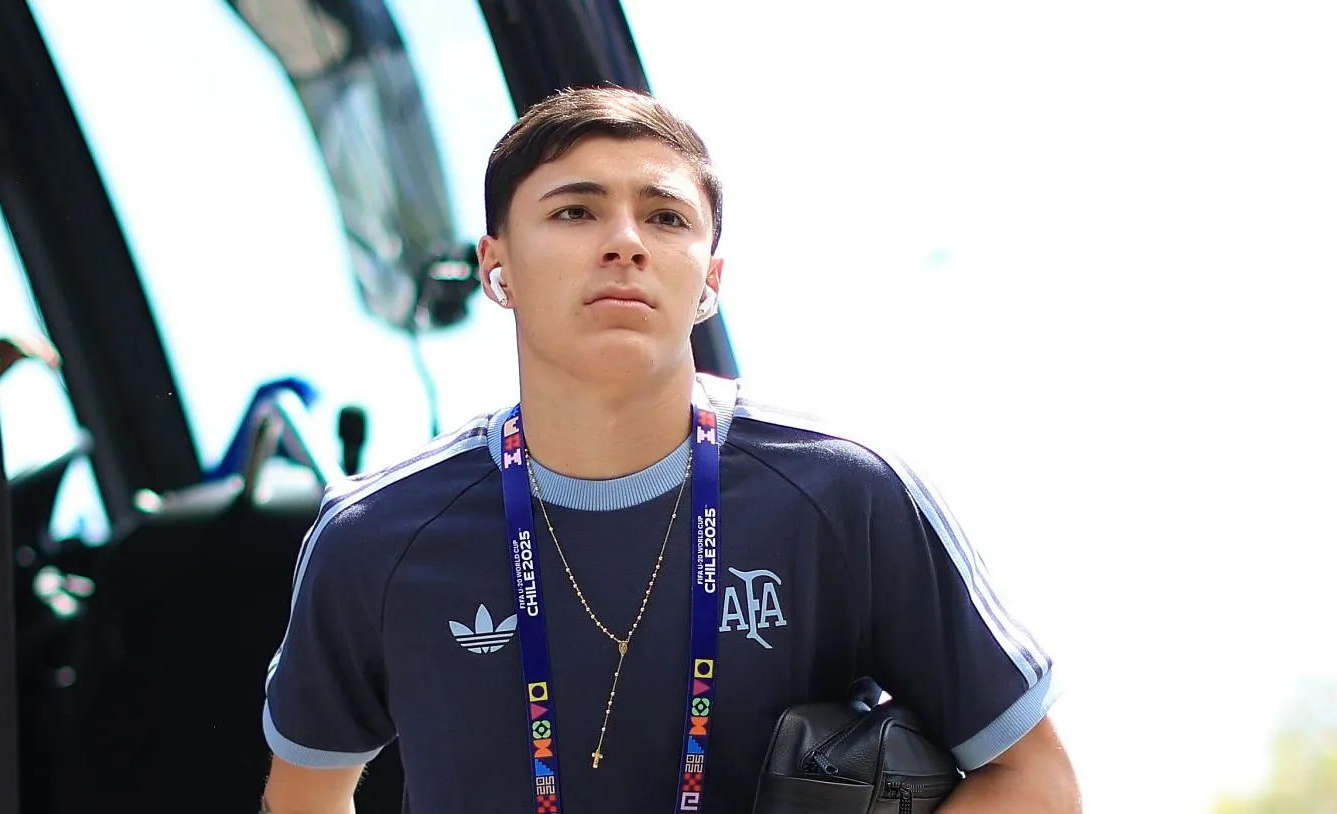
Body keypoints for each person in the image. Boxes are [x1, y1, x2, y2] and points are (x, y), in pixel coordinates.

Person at [260, 86, 1080, 813]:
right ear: (495, 265)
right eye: (575, 211)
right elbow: (303, 796)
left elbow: (1035, 782)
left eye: (665, 217)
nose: (625, 242)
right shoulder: (375, 536)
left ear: (710, 280)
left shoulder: (844, 494)